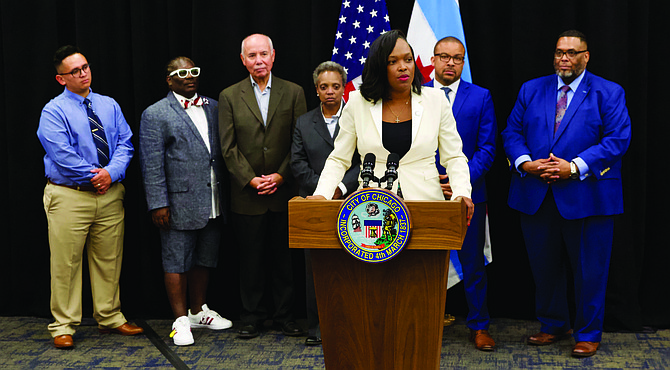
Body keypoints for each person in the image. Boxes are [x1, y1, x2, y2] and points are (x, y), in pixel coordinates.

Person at [502, 30, 631, 358]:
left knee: (590, 271)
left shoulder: (609, 92)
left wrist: (573, 167)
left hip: (588, 197)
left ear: (585, 57)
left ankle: (588, 333)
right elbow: (512, 132)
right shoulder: (532, 89)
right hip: (536, 193)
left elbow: (617, 140)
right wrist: (525, 163)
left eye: (572, 53)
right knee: (544, 267)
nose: (564, 58)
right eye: (560, 52)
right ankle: (553, 324)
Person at [309, 29, 474, 225]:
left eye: (408, 59)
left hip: (426, 206)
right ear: (379, 66)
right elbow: (339, 159)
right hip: (372, 209)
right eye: (392, 61)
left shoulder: (436, 101)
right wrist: (322, 195)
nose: (403, 67)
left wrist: (462, 193)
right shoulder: (357, 103)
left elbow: (454, 156)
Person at [37, 45, 143, 349]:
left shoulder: (108, 104)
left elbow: (125, 142)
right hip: (70, 196)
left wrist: (111, 173)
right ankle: (63, 325)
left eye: (85, 67)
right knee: (66, 263)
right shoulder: (53, 110)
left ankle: (109, 316)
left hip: (110, 194)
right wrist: (95, 176)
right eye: (75, 71)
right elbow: (61, 154)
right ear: (61, 79)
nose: (83, 74)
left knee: (109, 259)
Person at [219, 33, 307, 339]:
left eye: (263, 54)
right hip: (247, 194)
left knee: (284, 259)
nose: (259, 60)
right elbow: (228, 148)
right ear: (243, 60)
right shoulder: (229, 96)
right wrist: (252, 179)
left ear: (273, 56)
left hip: (284, 191)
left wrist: (282, 176)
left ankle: (285, 316)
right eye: (252, 55)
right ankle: (251, 316)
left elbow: (299, 143)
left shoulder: (294, 92)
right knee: (250, 260)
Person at [139, 57, 233, 346]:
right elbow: (151, 163)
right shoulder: (155, 113)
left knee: (205, 257)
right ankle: (180, 321)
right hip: (177, 202)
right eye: (182, 73)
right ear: (169, 79)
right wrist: (158, 203)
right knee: (176, 260)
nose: (189, 77)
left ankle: (197, 310)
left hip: (213, 197)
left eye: (193, 71)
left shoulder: (215, 106)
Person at [425, 36, 497, 351]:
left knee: (473, 264)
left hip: (467, 195)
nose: (450, 63)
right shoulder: (415, 95)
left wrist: (459, 182)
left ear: (463, 61)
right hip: (423, 194)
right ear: (433, 59)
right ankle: (422, 322)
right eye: (444, 57)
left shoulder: (480, 97)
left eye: (457, 58)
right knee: (423, 263)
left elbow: (488, 148)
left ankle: (479, 326)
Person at [290, 61, 360, 346]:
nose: (330, 92)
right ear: (316, 90)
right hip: (315, 204)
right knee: (316, 267)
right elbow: (297, 163)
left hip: (352, 201)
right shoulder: (304, 122)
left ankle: (354, 323)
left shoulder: (357, 118)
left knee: (353, 266)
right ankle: (317, 327)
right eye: (323, 87)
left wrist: (340, 187)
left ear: (344, 88)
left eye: (335, 86)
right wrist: (323, 189)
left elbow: (364, 159)